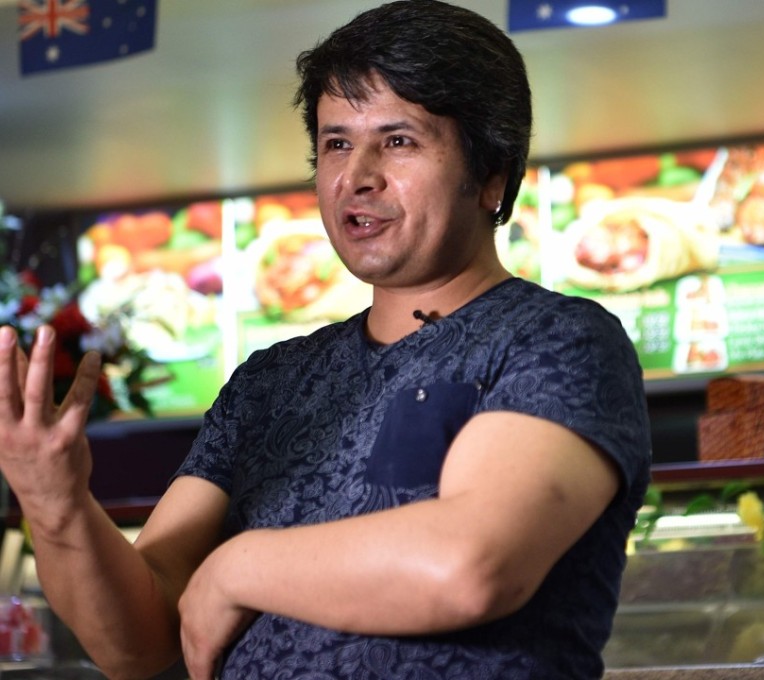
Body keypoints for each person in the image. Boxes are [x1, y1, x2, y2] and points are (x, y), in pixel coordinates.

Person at [0, 2, 652, 678]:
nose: (356, 176)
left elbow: (471, 566)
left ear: (491, 175)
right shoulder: (270, 382)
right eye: (337, 143)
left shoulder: (557, 339)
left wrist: (236, 567)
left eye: (398, 140)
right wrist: (54, 505)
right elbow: (138, 644)